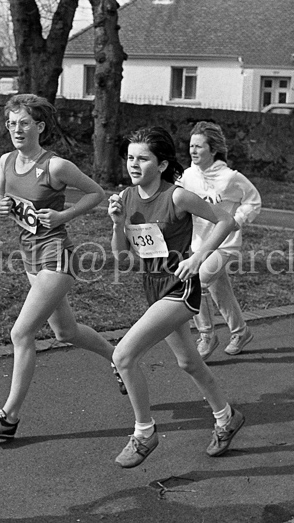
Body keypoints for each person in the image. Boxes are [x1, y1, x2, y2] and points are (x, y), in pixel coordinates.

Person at [0, 94, 122, 440]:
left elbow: (95, 192)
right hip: (29, 256)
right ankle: (119, 357)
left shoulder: (55, 166)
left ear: (39, 127)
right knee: (65, 332)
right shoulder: (6, 160)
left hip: (57, 256)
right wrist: (0, 206)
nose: (17, 129)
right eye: (11, 123)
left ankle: (8, 417)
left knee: (20, 333)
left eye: (24, 123)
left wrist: (63, 215)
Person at [107, 126, 245, 468]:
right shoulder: (126, 197)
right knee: (188, 362)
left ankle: (143, 433)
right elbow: (121, 255)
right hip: (152, 289)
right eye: (130, 158)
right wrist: (116, 223)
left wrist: (198, 257)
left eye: (143, 158)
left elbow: (227, 221)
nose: (134, 165)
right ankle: (227, 418)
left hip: (180, 289)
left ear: (164, 164)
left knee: (123, 356)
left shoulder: (178, 196)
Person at [177, 121, 261, 359]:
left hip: (225, 244)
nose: (193, 151)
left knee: (196, 280)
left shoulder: (230, 178)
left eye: (199, 147)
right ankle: (241, 331)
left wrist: (238, 220)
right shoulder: (187, 175)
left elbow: (253, 200)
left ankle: (206, 336)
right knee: (220, 291)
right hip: (199, 244)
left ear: (213, 150)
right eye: (191, 146)